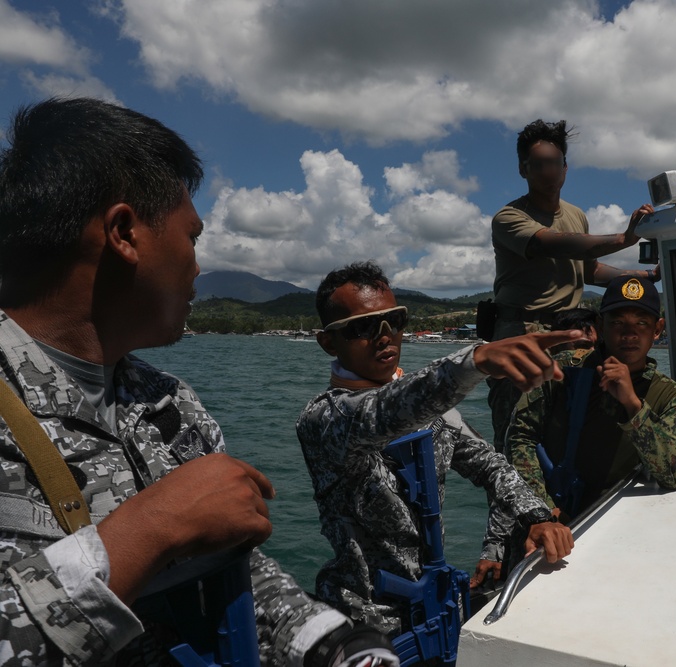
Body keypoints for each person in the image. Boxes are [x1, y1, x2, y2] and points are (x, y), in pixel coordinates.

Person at [0, 98, 396, 667]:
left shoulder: (167, 401)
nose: (198, 267)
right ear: (124, 233)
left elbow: (232, 568)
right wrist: (147, 531)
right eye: (193, 237)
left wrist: (329, 641)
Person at [296, 261, 576, 636]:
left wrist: (536, 517)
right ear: (328, 341)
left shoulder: (434, 413)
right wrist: (474, 360)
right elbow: (381, 411)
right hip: (364, 621)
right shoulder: (324, 420)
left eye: (393, 321)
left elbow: (489, 466)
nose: (384, 336)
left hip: (436, 608)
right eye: (363, 327)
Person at [476, 276, 676, 581]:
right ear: (601, 325)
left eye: (642, 323)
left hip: (612, 532)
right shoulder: (565, 370)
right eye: (618, 322)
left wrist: (633, 404)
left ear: (658, 330)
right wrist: (542, 509)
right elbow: (519, 436)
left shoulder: (666, 396)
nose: (629, 333)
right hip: (545, 527)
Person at [488, 118, 660, 449]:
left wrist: (648, 276)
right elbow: (556, 244)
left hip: (573, 333)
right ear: (523, 169)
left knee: (567, 425)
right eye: (538, 164)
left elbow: (589, 269)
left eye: (554, 163)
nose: (548, 171)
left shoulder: (577, 215)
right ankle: (512, 497)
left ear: (565, 167)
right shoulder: (509, 218)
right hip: (524, 330)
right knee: (516, 431)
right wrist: (625, 238)